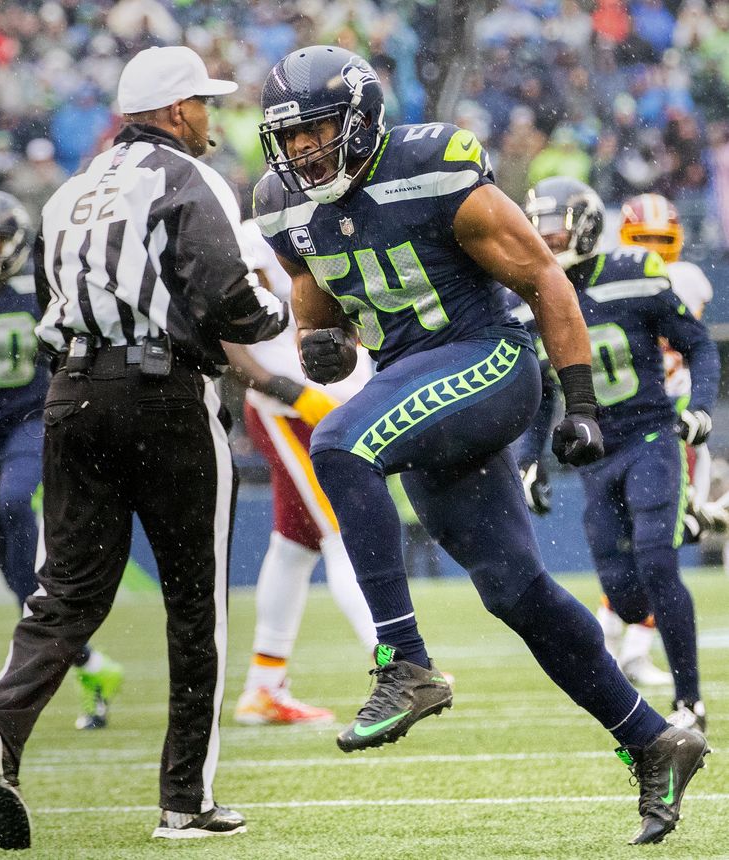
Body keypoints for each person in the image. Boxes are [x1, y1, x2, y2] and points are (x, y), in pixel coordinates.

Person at [252, 45, 709, 845]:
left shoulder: (435, 165)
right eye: (289, 140)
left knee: (339, 444)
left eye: (318, 132)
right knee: (513, 588)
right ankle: (654, 740)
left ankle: (404, 662)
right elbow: (317, 312)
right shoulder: (286, 208)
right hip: (413, 381)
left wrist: (579, 400)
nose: (302, 154)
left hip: (488, 359)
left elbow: (544, 278)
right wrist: (320, 342)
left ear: (361, 122)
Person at [0, 45, 287, 851]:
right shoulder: (189, 179)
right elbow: (223, 291)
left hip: (70, 396)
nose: (211, 116)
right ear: (176, 112)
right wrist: (276, 315)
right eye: (203, 103)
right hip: (165, 397)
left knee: (63, 594)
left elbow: (44, 304)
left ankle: (4, 725)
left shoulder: (68, 192)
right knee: (195, 604)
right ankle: (185, 800)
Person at [518, 177, 720, 737]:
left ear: (584, 224)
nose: (545, 237)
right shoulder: (535, 294)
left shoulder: (633, 275)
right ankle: (640, 636)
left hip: (653, 436)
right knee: (623, 589)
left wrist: (701, 408)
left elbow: (699, 344)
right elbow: (539, 388)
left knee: (657, 560)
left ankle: (690, 701)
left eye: (554, 226)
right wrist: (529, 457)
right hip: (595, 452)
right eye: (537, 226)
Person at [0, 189, 123, 732]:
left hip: (33, 421)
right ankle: (84, 657)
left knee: (13, 498)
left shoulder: (40, 289)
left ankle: (54, 617)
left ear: (15, 245)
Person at [224, 219, 377, 725]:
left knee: (294, 546)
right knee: (346, 531)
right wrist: (287, 390)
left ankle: (264, 686)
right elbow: (225, 327)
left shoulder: (345, 217)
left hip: (337, 404)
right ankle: (397, 657)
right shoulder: (254, 235)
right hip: (290, 410)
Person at [596, 192, 728, 687]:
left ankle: (623, 642)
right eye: (644, 239)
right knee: (648, 544)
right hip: (635, 422)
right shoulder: (625, 278)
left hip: (675, 422)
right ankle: (616, 637)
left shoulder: (683, 279)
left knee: (656, 544)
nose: (653, 247)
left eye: (661, 240)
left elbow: (691, 344)